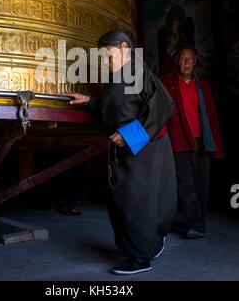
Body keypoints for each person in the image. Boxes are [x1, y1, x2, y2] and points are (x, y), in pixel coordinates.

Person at [64, 30, 177, 275]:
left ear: (124, 47)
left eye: (108, 55)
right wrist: (90, 102)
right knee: (125, 202)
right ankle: (150, 245)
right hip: (125, 151)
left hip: (145, 151)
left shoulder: (138, 71)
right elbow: (115, 112)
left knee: (137, 201)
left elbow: (162, 107)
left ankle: (140, 257)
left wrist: (129, 136)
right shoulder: (116, 77)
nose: (105, 62)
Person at [161, 44, 225, 239]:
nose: (186, 62)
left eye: (190, 59)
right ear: (177, 61)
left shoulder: (203, 85)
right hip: (180, 140)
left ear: (195, 61)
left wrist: (215, 143)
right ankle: (196, 224)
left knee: (201, 185)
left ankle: (196, 221)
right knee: (185, 184)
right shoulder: (167, 83)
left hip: (202, 141)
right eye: (182, 58)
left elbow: (211, 116)